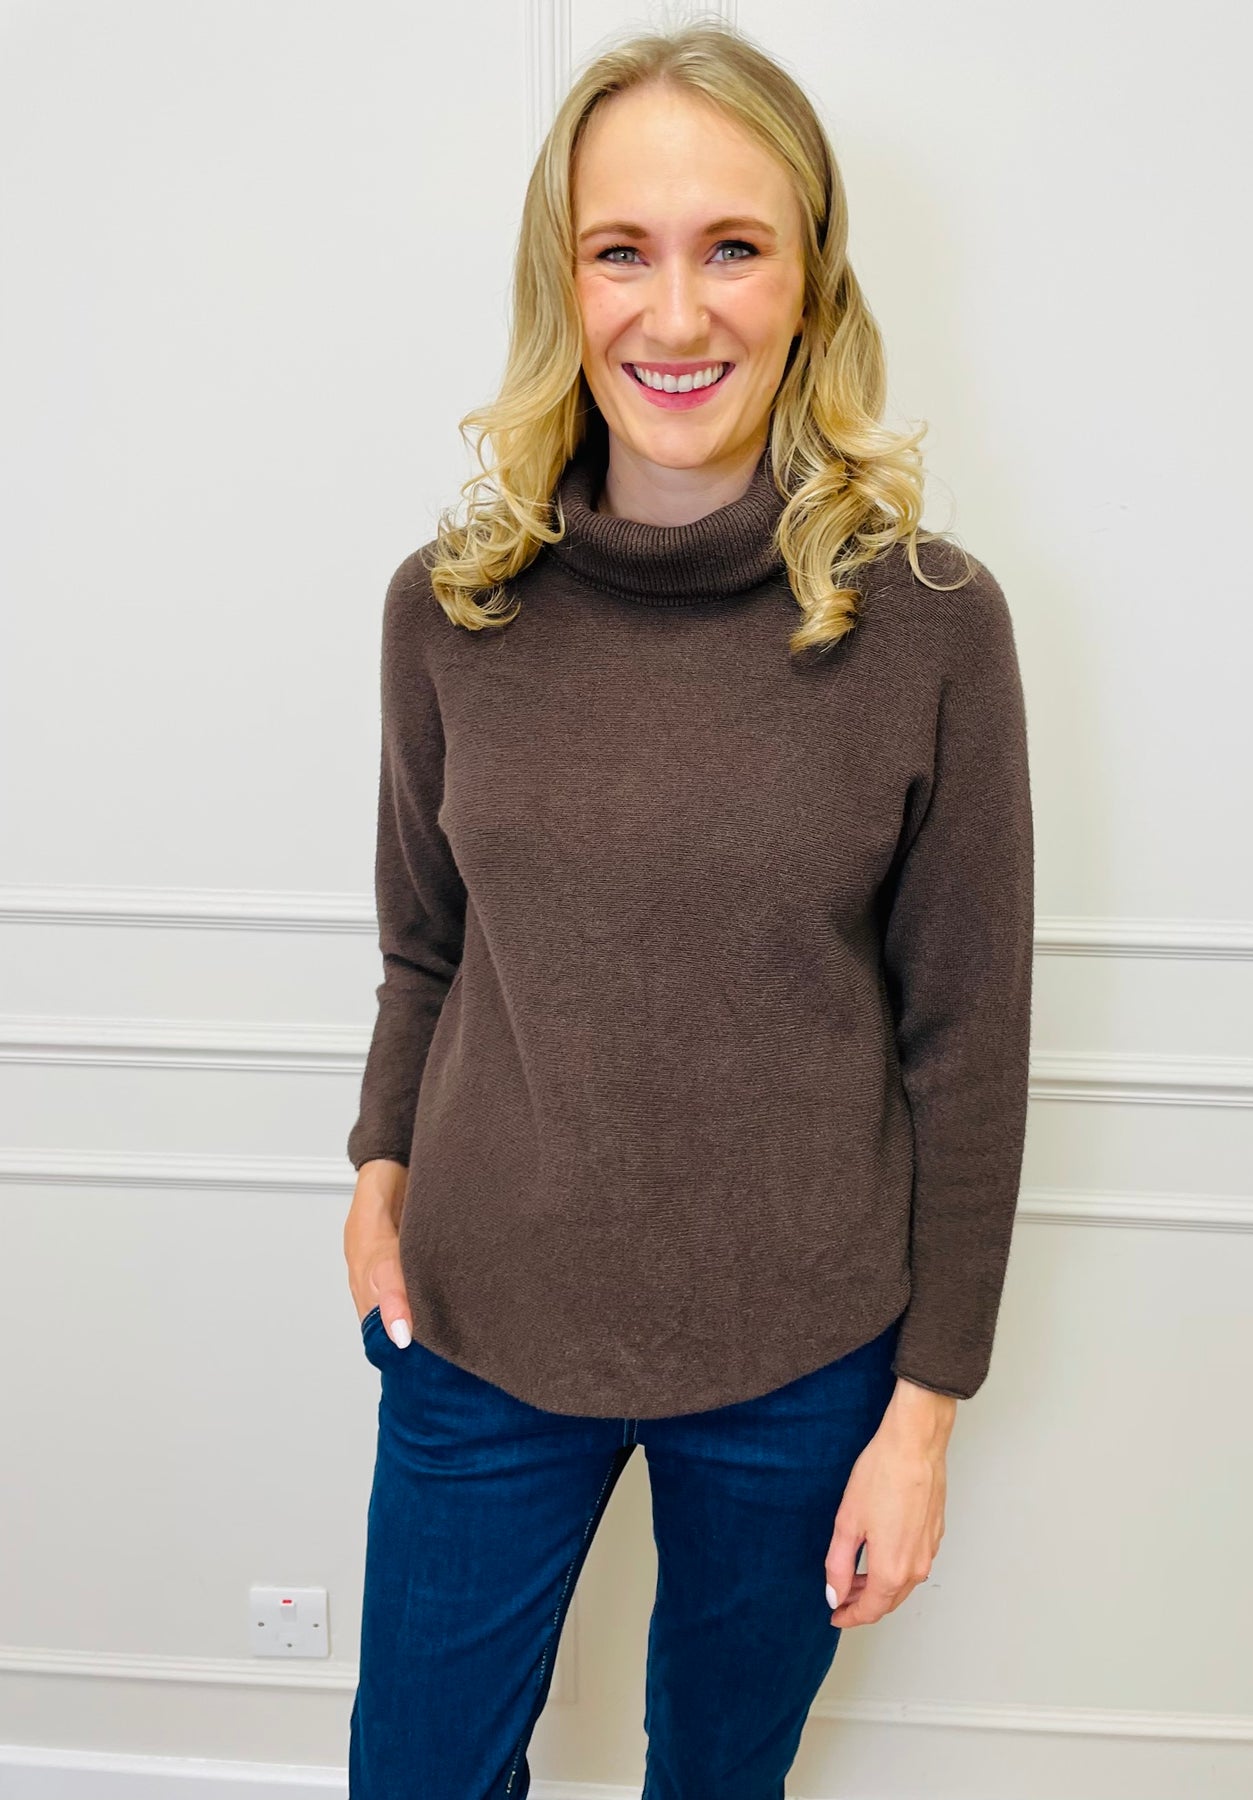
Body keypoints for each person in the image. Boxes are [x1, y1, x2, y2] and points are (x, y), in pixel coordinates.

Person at [343, 19, 1034, 1800]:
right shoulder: (449, 607)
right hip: (479, 1322)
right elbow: (425, 944)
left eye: (731, 247)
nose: (673, 313)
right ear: (560, 283)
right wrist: (376, 1171)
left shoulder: (931, 623)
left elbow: (965, 1045)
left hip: (803, 1359)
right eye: (619, 252)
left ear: (811, 281)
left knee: (720, 1781)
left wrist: (923, 1417)